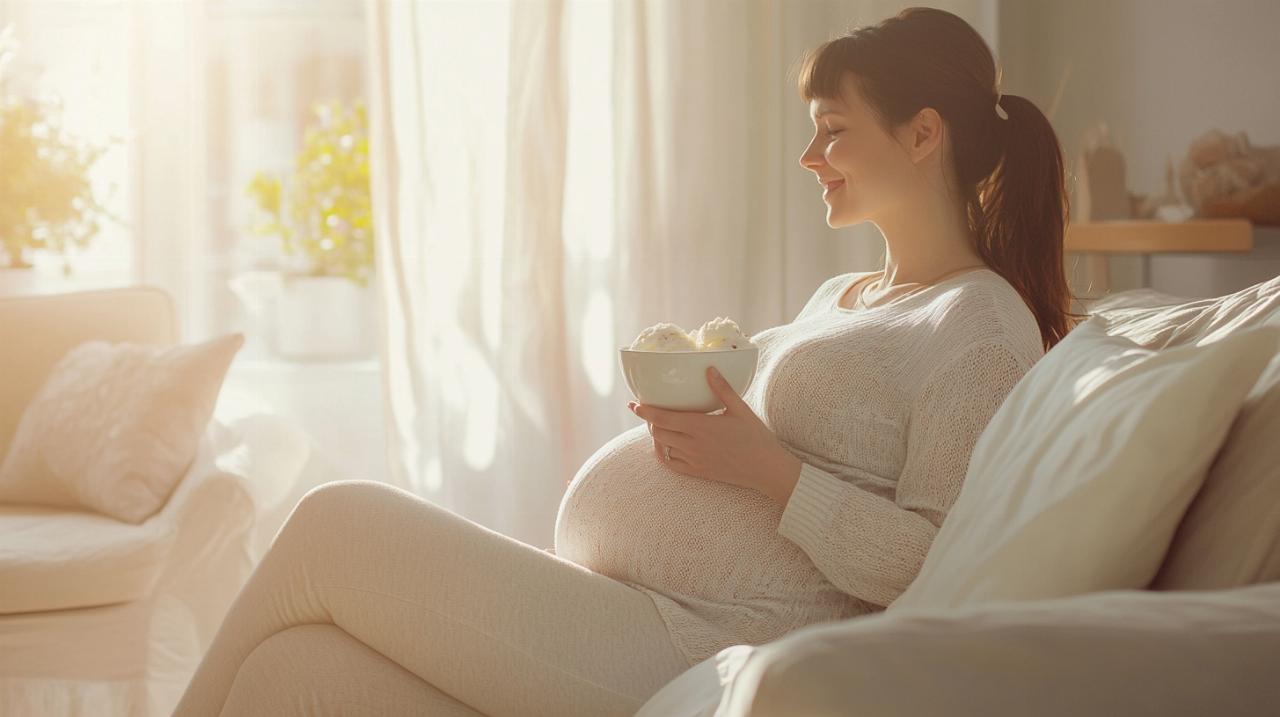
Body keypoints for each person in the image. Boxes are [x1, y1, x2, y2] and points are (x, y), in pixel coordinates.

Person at [173, 7, 1076, 716]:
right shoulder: (847, 296)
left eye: (833, 130)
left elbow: (938, 566)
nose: (810, 157)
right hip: (629, 611)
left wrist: (766, 468)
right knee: (291, 677)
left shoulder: (980, 327)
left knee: (336, 523)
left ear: (924, 135)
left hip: (709, 645)